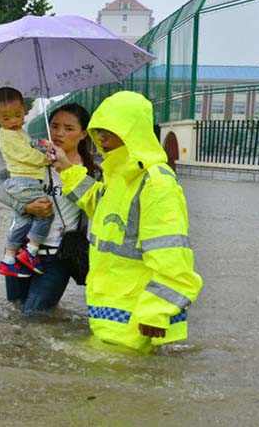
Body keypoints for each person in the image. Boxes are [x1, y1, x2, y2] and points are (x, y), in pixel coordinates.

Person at [49, 91, 203, 352]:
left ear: (133, 131)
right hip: (111, 313)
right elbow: (97, 204)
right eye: (98, 131)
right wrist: (66, 169)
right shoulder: (117, 175)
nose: (101, 138)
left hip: (138, 315)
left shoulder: (156, 183)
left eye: (109, 131)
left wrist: (157, 309)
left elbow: (171, 254)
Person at [0, 103, 99, 314]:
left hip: (57, 257)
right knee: (15, 311)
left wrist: (65, 168)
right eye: (55, 126)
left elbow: (96, 207)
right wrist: (25, 205)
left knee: (34, 315)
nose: (59, 133)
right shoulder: (32, 160)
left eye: (68, 128)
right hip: (19, 249)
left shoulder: (90, 173)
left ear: (83, 133)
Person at [0, 87, 52, 278]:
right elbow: (25, 154)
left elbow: (30, 145)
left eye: (18, 115)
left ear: (24, 109)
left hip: (24, 181)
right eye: (7, 118)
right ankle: (31, 252)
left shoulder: (18, 132)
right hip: (24, 182)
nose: (14, 121)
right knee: (45, 213)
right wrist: (45, 159)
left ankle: (8, 258)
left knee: (23, 221)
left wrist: (45, 145)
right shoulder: (7, 135)